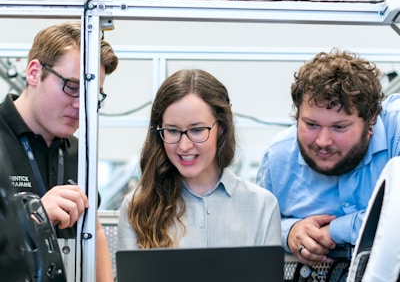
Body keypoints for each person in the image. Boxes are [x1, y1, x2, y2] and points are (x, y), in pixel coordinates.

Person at [0, 21, 118, 282]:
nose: (81, 106)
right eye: (73, 87)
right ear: (34, 73)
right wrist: (34, 215)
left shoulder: (79, 152)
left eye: (93, 95)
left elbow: (95, 226)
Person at [256, 49, 400, 265]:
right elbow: (259, 226)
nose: (323, 141)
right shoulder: (278, 158)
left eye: (339, 127)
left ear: (371, 120)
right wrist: (290, 231)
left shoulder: (395, 129)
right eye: (311, 125)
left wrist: (334, 231)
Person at [118, 68, 281, 250]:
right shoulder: (137, 208)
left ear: (221, 128)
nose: (184, 146)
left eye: (197, 130)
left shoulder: (262, 206)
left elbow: (266, 279)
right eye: (172, 130)